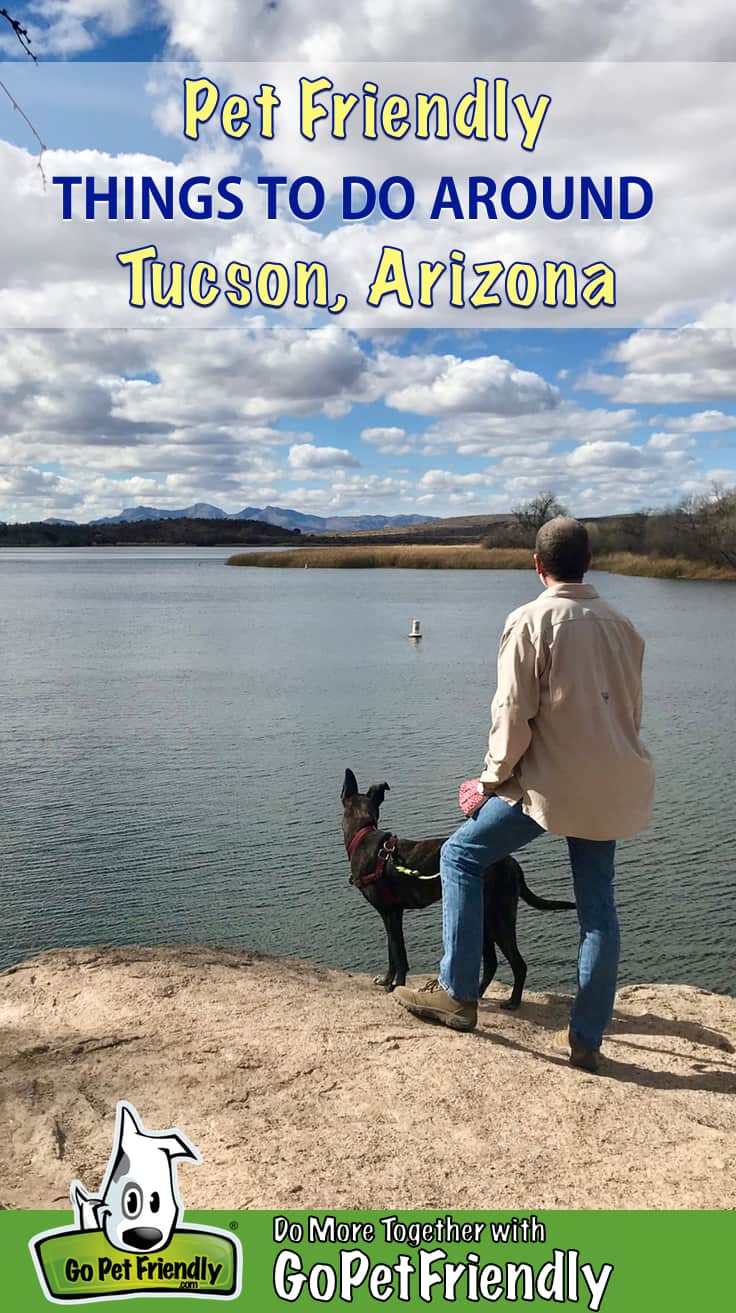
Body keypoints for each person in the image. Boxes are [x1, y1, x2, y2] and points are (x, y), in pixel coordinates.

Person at [394, 517, 654, 1072]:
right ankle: (586, 1040)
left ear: (537, 565)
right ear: (588, 562)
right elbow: (627, 712)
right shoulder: (624, 625)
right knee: (598, 910)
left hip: (548, 785)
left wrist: (487, 782)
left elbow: (513, 714)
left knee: (460, 855)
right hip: (613, 783)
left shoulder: (531, 620)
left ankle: (458, 994)